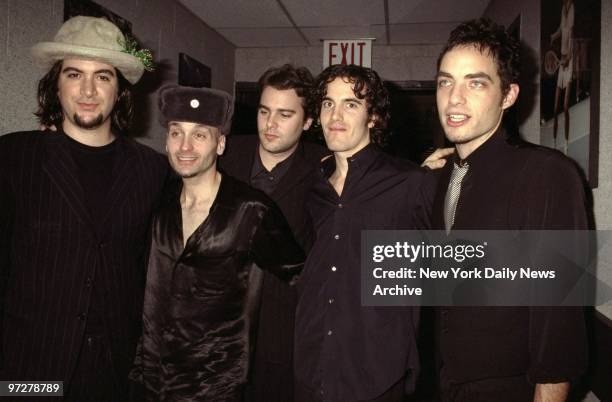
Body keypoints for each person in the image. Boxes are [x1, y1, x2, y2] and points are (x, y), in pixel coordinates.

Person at [0, 16, 167, 402]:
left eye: (103, 76)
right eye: (74, 74)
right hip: (28, 374)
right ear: (55, 85)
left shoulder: (152, 170)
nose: (88, 90)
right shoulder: (13, 158)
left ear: (120, 90)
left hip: (114, 373)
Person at [432, 18, 587, 402]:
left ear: (509, 95)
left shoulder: (547, 174)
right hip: (442, 384)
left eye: (476, 82)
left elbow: (559, 315)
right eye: (445, 81)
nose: (454, 98)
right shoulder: (439, 176)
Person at [131, 85, 305, 401]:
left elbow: (303, 278)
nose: (185, 146)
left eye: (199, 135)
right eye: (175, 133)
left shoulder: (251, 210)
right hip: (151, 379)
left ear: (220, 143)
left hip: (214, 385)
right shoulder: (156, 202)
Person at [294, 64, 432, 402]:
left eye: (351, 104)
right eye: (327, 103)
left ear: (373, 117)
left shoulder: (410, 182)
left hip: (375, 375)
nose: (335, 115)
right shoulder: (313, 187)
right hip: (313, 369)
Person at [219, 64, 328, 402]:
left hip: (283, 335)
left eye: (285, 114)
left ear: (308, 121)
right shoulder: (225, 154)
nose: (270, 124)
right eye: (264, 111)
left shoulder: (324, 169)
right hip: (219, 331)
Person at [550, 0, 575, 154]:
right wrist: (553, 36)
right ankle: (553, 144)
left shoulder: (571, 7)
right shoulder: (563, 9)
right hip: (562, 62)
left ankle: (565, 145)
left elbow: (570, 32)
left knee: (565, 108)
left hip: (569, 63)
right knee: (555, 109)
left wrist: (567, 58)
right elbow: (561, 29)